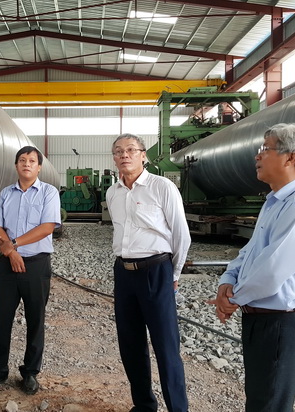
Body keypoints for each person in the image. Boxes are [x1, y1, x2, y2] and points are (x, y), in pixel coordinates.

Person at [208, 123, 295, 412]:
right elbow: (249, 253)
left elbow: (273, 269)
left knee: (269, 404)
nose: (257, 156)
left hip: (281, 324)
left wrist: (232, 299)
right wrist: (227, 281)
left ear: (290, 157)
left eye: (265, 149)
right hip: (261, 319)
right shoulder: (273, 202)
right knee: (260, 401)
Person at [106, 133, 191, 412]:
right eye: (118, 151)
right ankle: (144, 405)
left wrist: (174, 275)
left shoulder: (162, 187)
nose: (124, 155)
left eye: (131, 150)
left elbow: (181, 234)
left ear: (143, 155)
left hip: (156, 270)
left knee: (166, 346)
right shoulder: (112, 193)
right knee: (130, 344)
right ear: (114, 158)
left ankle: (178, 408)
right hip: (124, 272)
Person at [0, 146, 61, 395]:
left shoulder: (48, 193)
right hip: (8, 264)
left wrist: (13, 244)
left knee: (36, 319)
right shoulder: (6, 193)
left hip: (36, 265)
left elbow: (47, 227)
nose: (27, 164)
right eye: (22, 160)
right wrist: (12, 252)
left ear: (39, 167)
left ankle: (30, 372)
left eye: (32, 160)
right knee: (2, 318)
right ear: (16, 165)